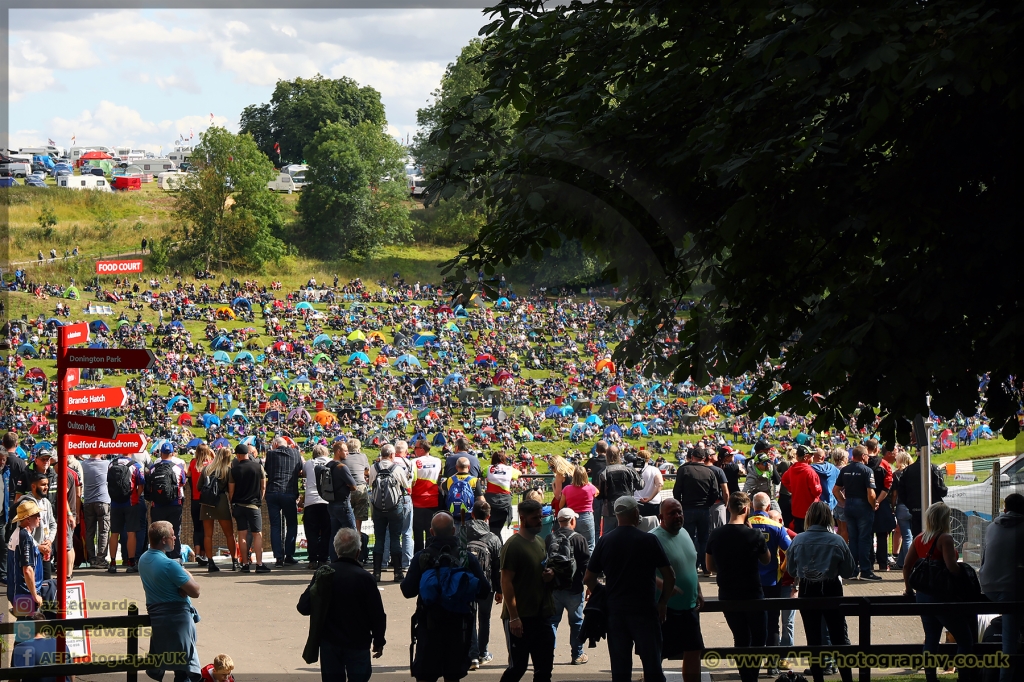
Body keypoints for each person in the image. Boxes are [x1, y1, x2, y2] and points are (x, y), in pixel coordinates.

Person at [584, 496, 674, 682]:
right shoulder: (649, 540)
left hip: (616, 612)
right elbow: (669, 575)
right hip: (645, 611)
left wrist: (603, 594)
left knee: (620, 669)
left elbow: (588, 578)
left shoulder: (605, 541)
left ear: (617, 515)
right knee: (652, 665)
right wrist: (663, 602)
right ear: (635, 513)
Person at [401, 511, 490, 682]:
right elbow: (484, 590)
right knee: (453, 676)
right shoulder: (465, 558)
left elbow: (407, 591)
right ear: (453, 531)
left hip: (429, 628)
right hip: (458, 628)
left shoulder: (422, 557)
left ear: (431, 532)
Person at [298, 527, 386, 682]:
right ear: (358, 552)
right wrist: (378, 641)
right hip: (358, 642)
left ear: (336, 549)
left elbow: (303, 607)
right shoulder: (365, 578)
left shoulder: (325, 574)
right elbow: (377, 614)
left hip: (330, 643)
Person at [903, 502, 976, 682]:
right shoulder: (945, 539)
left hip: (923, 595)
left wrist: (908, 589)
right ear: (945, 519)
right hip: (942, 595)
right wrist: (965, 577)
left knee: (931, 638)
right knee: (965, 639)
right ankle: (965, 676)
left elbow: (906, 565)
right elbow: (951, 567)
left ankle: (930, 677)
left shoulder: (919, 538)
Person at [786, 502, 857, 682]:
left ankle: (818, 678)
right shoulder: (837, 540)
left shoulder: (798, 540)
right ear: (828, 518)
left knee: (813, 638)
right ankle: (847, 677)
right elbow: (849, 571)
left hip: (808, 590)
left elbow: (792, 570)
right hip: (831, 589)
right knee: (838, 637)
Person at [705, 492, 770, 682]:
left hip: (728, 593)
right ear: (746, 509)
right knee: (758, 638)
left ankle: (745, 676)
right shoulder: (754, 535)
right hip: (752, 593)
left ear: (729, 508)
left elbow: (709, 566)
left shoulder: (716, 534)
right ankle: (753, 675)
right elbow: (766, 560)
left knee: (740, 638)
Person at [499, 498, 556, 682]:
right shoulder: (513, 546)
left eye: (541, 517)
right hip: (521, 618)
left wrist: (549, 574)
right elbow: (506, 582)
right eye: (535, 518)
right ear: (522, 519)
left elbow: (539, 569)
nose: (540, 521)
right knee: (518, 668)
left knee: (544, 669)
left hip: (542, 615)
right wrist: (514, 617)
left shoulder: (540, 541)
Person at [138, 520, 202, 682]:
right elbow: (195, 591)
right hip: (178, 621)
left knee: (178, 667)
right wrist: (185, 575)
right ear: (164, 540)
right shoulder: (169, 566)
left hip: (159, 620)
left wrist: (179, 577)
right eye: (173, 535)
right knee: (184, 671)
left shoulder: (143, 559)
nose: (175, 538)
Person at [651, 498, 704, 682]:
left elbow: (690, 564)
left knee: (694, 651)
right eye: (672, 513)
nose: (678, 516)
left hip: (689, 607)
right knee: (658, 654)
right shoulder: (653, 538)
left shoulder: (685, 533)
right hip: (665, 609)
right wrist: (662, 585)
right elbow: (641, 570)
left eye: (679, 512)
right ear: (661, 517)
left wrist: (698, 590)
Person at [979, 493, 1024, 682]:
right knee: (1009, 638)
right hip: (1011, 589)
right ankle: (1005, 677)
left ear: (1005, 509)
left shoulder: (992, 527)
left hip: (988, 585)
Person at [748, 492, 792, 674]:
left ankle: (752, 666)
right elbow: (790, 551)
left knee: (751, 623)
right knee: (773, 623)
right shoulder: (776, 527)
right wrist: (782, 568)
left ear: (752, 506)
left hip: (749, 582)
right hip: (772, 581)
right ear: (768, 508)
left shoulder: (745, 525)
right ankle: (772, 666)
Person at [546, 507, 590, 665]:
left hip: (555, 588)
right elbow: (586, 566)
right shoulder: (579, 539)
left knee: (552, 622)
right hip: (575, 588)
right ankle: (577, 654)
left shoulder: (550, 538)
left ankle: (548, 655)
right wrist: (589, 586)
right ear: (572, 520)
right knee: (576, 622)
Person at [464, 499, 503, 671]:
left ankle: (472, 656)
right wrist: (499, 590)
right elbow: (497, 568)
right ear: (488, 517)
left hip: (466, 582)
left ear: (472, 514)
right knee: (484, 618)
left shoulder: (463, 532)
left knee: (469, 618)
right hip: (486, 584)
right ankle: (482, 652)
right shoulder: (494, 539)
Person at [834, 445, 881, 581]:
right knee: (865, 539)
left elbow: (836, 490)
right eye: (867, 455)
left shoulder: (845, 470)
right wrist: (873, 505)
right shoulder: (867, 471)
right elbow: (870, 493)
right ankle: (866, 571)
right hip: (863, 506)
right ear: (863, 456)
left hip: (849, 505)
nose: (868, 457)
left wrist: (844, 502)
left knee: (853, 539)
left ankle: (853, 571)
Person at [673, 446, 719, 575]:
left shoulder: (684, 470)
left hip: (687, 508)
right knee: (704, 539)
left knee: (688, 538)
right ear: (704, 458)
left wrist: (680, 505)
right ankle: (705, 567)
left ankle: (690, 566)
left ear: (692, 456)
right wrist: (708, 504)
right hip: (704, 509)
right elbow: (715, 492)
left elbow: (677, 490)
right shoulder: (710, 472)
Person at [369, 443, 411, 581]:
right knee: (395, 538)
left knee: (379, 538)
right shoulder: (397, 468)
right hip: (395, 508)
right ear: (392, 455)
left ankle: (376, 573)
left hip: (378, 509)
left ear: (381, 454)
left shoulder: (374, 468)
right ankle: (398, 573)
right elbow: (406, 485)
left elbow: (370, 484)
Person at [7, 499, 56, 619]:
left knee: (26, 629)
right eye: (37, 515)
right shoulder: (25, 538)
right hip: (25, 593)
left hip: (22, 592)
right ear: (28, 519)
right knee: (27, 630)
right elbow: (27, 569)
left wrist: (39, 549)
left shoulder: (22, 534)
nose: (40, 517)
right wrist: (34, 596)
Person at [228, 443, 270, 573]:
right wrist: (259, 499)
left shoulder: (233, 470)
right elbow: (263, 487)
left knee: (242, 534)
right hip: (253, 505)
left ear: (239, 455)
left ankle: (245, 564)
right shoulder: (258, 467)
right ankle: (259, 564)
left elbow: (231, 491)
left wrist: (233, 502)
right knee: (257, 534)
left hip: (239, 506)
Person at [264, 436, 303, 568]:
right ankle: (289, 555)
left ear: (275, 444)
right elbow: (300, 469)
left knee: (275, 526)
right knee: (292, 524)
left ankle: (278, 558)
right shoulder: (296, 453)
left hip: (273, 492)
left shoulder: (270, 454)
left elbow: (267, 470)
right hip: (289, 492)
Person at [200, 447, 238, 572]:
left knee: (207, 535)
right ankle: (234, 561)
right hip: (221, 501)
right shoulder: (227, 470)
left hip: (206, 503)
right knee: (229, 534)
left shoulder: (206, 469)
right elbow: (231, 491)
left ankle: (210, 562)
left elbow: (199, 486)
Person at [148, 442, 188, 561]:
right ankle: (176, 557)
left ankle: (158, 558)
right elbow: (183, 483)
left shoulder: (153, 468)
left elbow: (149, 485)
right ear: (172, 453)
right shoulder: (178, 467)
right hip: (174, 504)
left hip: (157, 505)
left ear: (160, 453)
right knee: (174, 532)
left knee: (157, 534)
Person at [108, 451, 146, 574]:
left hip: (115, 503)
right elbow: (141, 485)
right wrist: (136, 496)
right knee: (131, 533)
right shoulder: (135, 465)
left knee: (114, 533)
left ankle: (112, 563)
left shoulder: (111, 464)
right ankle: (131, 562)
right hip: (131, 502)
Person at [895, 450, 948, 538]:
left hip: (915, 511)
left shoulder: (907, 471)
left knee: (918, 538)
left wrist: (911, 505)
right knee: (935, 537)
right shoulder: (933, 468)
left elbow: (901, 493)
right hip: (933, 511)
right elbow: (942, 490)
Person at [16, 473, 57, 579]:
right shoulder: (25, 504)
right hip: (31, 552)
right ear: (33, 486)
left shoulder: (46, 502)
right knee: (33, 585)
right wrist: (38, 546)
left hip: (46, 551)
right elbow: (22, 530)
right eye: (43, 485)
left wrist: (49, 541)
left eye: (47, 484)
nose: (46, 487)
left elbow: (53, 524)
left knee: (47, 584)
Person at [0, 436, 29, 584]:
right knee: (11, 539)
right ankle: (9, 570)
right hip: (14, 501)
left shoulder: (5, 461)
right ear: (17, 445)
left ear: (3, 443)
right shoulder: (20, 462)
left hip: (7, 502)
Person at [325, 441, 358, 562]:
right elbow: (353, 486)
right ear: (338, 451)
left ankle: (334, 561)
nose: (347, 453)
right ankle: (353, 561)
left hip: (331, 504)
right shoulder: (341, 467)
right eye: (345, 450)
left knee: (334, 535)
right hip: (343, 504)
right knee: (352, 533)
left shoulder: (328, 465)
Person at [596, 446, 641, 534]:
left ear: (607, 456)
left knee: (609, 536)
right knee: (630, 534)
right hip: (628, 506)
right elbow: (640, 485)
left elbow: (599, 495)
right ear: (619, 455)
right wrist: (640, 473)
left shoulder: (603, 472)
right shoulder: (629, 470)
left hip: (610, 509)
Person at [409, 440, 443, 553]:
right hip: (433, 501)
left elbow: (412, 481)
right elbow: (439, 477)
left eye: (415, 447)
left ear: (422, 449)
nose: (414, 449)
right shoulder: (438, 461)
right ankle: (431, 555)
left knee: (417, 533)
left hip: (417, 501)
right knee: (431, 532)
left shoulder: (414, 462)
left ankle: (418, 557)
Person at [302, 444, 332, 570]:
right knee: (326, 532)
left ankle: (312, 559)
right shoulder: (331, 462)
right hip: (326, 501)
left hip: (311, 501)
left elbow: (303, 474)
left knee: (311, 533)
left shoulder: (309, 463)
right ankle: (323, 559)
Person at [779, 445, 822, 532]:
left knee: (799, 534)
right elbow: (817, 492)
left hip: (796, 509)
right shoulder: (810, 472)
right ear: (806, 457)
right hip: (810, 510)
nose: (813, 456)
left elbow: (784, 479)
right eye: (811, 455)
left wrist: (792, 489)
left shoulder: (792, 469)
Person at [81, 452, 111, 568]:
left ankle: (92, 559)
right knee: (103, 531)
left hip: (88, 501)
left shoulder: (83, 464)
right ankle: (101, 559)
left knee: (90, 532)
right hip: (103, 500)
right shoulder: (106, 464)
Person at [559, 465, 598, 551]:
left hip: (572, 517)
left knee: (572, 544)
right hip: (586, 516)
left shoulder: (566, 489)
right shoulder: (590, 488)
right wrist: (589, 484)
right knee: (590, 545)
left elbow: (560, 505)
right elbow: (597, 492)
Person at [186, 445, 214, 567]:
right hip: (207, 500)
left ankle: (197, 553)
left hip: (195, 500)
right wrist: (213, 455)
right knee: (206, 529)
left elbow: (188, 476)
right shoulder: (211, 463)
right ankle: (204, 554)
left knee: (197, 528)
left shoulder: (193, 462)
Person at [439, 457, 484, 526]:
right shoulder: (474, 480)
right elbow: (481, 499)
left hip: (453, 515)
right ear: (469, 467)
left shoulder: (450, 480)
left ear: (456, 467)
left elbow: (441, 487)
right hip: (469, 517)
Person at [484, 451, 519, 536]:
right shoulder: (509, 469)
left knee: (493, 530)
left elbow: (481, 473)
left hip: (491, 502)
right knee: (497, 531)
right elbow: (519, 473)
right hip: (504, 503)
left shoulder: (488, 468)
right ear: (504, 459)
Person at [583, 441, 609, 537]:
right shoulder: (610, 461)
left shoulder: (593, 461)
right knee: (608, 524)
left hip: (596, 493)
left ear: (597, 450)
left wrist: (591, 471)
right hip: (608, 493)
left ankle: (596, 544)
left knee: (596, 522)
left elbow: (582, 470)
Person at [633, 450, 665, 517]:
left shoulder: (632, 469)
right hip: (653, 503)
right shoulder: (654, 469)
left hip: (636, 501)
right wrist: (650, 498)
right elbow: (660, 484)